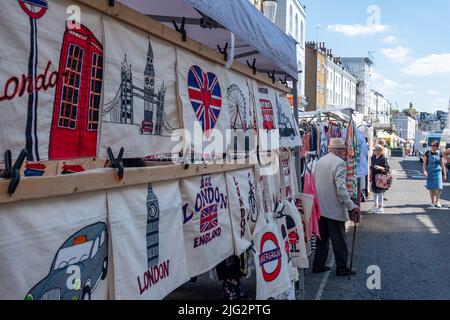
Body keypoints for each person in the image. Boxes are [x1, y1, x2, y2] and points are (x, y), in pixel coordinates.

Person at [312, 138, 360, 277]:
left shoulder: (320, 161)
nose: (344, 153)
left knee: (322, 239)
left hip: (321, 206)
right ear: (339, 150)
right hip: (333, 208)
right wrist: (352, 206)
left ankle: (318, 264)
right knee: (339, 239)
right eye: (343, 150)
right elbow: (341, 189)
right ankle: (342, 267)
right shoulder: (339, 163)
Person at [423, 141, 447, 208]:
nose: (432, 146)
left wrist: (444, 174)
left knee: (439, 187)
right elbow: (424, 163)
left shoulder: (440, 153)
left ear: (436, 146)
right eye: (431, 145)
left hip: (438, 172)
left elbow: (442, 165)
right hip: (430, 172)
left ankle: (437, 201)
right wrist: (424, 171)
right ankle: (432, 202)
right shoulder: (427, 153)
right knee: (431, 188)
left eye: (433, 145)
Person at [369, 145, 390, 214]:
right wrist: (370, 173)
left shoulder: (383, 159)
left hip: (380, 177)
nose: (374, 151)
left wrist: (379, 167)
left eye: (375, 150)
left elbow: (387, 169)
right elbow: (371, 166)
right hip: (374, 176)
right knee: (374, 191)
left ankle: (381, 207)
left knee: (380, 192)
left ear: (379, 151)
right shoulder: (373, 157)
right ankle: (375, 205)